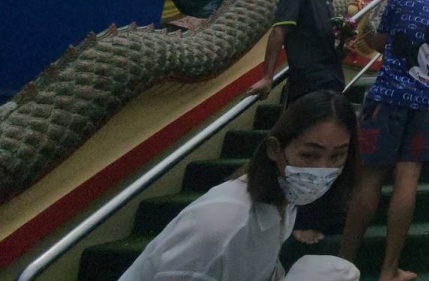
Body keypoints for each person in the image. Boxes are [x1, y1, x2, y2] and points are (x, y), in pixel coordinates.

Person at [122, 90, 360, 280]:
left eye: (337, 156)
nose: (322, 169)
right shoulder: (221, 226)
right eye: (309, 155)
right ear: (275, 149)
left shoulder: (283, 205)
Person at [342, 0, 429, 281]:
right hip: (426, 106)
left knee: (370, 180)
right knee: (407, 181)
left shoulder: (402, 0)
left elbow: (380, 43)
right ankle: (389, 269)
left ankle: (344, 264)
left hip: (387, 99)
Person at [246, 0, 347, 243]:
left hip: (330, 79)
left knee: (329, 152)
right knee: (307, 153)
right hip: (307, 82)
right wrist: (267, 77)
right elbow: (279, 32)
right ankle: (300, 218)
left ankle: (319, 216)